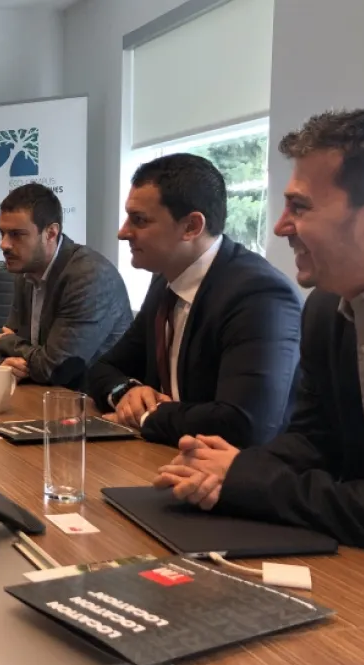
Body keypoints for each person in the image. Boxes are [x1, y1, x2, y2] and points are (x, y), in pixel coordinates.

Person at [154, 102, 364, 554]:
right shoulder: (325, 308)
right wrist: (226, 468)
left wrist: (251, 481)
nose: (280, 226)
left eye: (300, 206)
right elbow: (315, 443)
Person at [84, 154, 301, 447]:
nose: (123, 232)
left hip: (231, 472)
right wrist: (127, 392)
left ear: (191, 226)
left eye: (139, 220)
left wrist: (146, 416)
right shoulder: (165, 280)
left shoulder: (260, 295)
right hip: (168, 456)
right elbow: (103, 369)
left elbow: (245, 424)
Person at [0, 183, 131, 385]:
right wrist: (6, 355)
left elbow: (54, 369)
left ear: (51, 233)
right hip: (43, 393)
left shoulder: (89, 276)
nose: (4, 244)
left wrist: (8, 343)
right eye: (2, 233)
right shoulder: (25, 272)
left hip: (90, 397)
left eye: (16, 234)